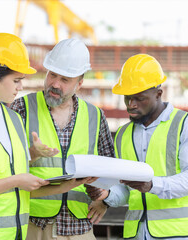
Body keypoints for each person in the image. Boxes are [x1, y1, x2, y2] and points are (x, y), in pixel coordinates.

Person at [0, 33, 94, 240]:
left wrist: (68, 185)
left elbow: (20, 190)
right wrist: (15, 181)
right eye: (16, 80)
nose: (20, 87)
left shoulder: (13, 120)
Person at [88, 53, 188, 240]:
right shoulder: (122, 134)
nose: (131, 105)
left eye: (139, 98)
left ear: (158, 94)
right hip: (137, 234)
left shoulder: (187, 125)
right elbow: (126, 190)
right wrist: (107, 194)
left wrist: (153, 185)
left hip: (179, 234)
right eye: (127, 98)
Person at [10, 38, 115, 239]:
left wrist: (104, 201)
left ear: (80, 84)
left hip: (79, 228)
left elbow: (108, 168)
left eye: (65, 80)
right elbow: (5, 167)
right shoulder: (20, 108)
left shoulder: (94, 115)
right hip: (34, 225)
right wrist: (32, 154)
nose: (55, 84)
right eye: (52, 75)